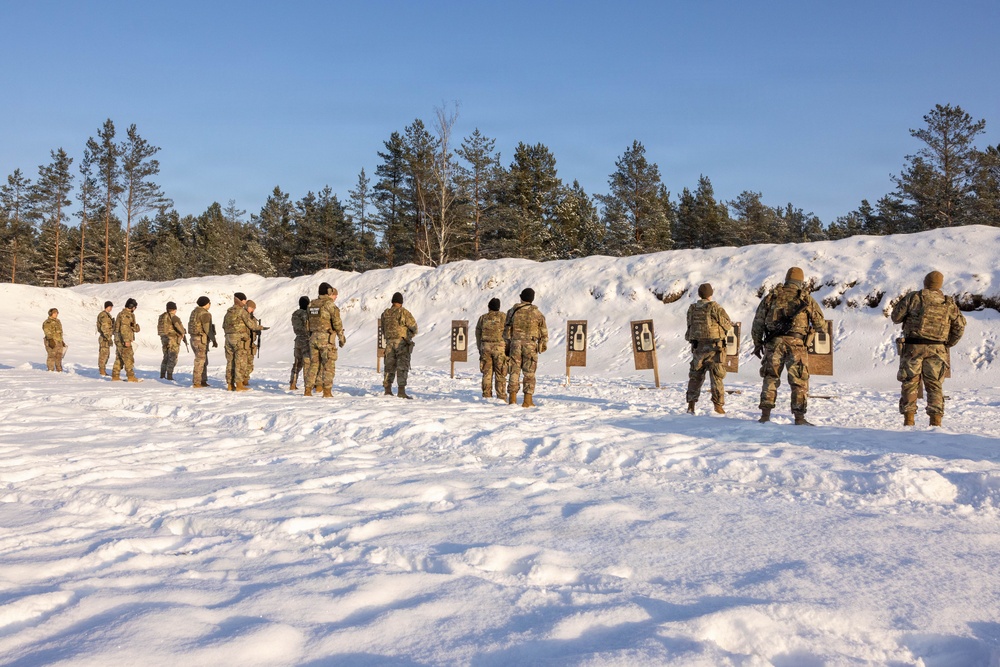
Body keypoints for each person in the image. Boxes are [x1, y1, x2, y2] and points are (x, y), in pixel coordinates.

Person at [890, 270, 966, 427]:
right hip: (937, 350)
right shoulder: (948, 302)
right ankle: (935, 422)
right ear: (940, 285)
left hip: (913, 348)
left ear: (925, 282)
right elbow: (960, 326)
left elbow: (895, 318)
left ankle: (909, 421)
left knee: (910, 382)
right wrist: (947, 344)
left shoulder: (914, 297)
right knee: (934, 385)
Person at [751, 267, 825, 425]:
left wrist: (757, 344)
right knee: (799, 380)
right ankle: (799, 418)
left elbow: (758, 323)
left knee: (770, 378)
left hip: (773, 343)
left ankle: (765, 415)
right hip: (797, 344)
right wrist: (812, 329)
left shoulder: (771, 297)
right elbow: (820, 325)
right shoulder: (805, 298)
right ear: (801, 281)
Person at [685, 283, 733, 415]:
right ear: (710, 294)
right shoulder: (715, 307)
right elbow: (727, 325)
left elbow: (689, 326)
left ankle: (691, 405)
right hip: (715, 349)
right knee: (717, 377)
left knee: (695, 377)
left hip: (698, 348)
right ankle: (718, 407)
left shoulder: (692, 308)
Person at [504, 288, 548, 408]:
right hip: (531, 345)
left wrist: (508, 346)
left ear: (521, 297)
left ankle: (512, 399)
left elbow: (506, 331)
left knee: (514, 371)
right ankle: (527, 400)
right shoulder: (537, 313)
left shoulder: (512, 311)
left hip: (515, 344)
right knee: (529, 372)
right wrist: (542, 346)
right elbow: (544, 333)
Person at [304, 283, 346, 397]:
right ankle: (327, 392)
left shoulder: (311, 305)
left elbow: (307, 322)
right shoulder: (329, 305)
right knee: (328, 365)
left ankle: (308, 390)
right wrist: (341, 337)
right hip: (326, 339)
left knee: (314, 364)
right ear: (328, 291)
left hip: (313, 338)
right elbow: (337, 323)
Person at [222, 292, 263, 391]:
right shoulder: (242, 312)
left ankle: (230, 384)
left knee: (230, 362)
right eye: (244, 300)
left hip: (228, 339)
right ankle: (239, 385)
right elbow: (251, 325)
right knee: (240, 362)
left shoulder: (229, 311)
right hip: (239, 340)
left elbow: (224, 325)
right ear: (241, 300)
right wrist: (260, 327)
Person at [380, 292, 417, 398]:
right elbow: (414, 327)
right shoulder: (403, 312)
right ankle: (401, 391)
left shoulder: (385, 313)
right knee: (402, 367)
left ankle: (387, 390)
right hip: (401, 344)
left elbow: (383, 329)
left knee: (389, 366)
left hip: (389, 343)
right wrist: (409, 335)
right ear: (401, 302)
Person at [475, 297, 507, 399]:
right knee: (500, 373)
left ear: (489, 307)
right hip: (499, 347)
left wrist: (480, 347)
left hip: (485, 346)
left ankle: (486, 396)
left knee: (487, 373)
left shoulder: (483, 318)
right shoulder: (503, 317)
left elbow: (478, 333)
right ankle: (501, 396)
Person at [188, 296, 217, 387]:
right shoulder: (205, 314)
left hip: (194, 338)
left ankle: (202, 380)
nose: (210, 305)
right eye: (209, 303)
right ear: (206, 304)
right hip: (200, 339)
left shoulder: (194, 312)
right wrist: (213, 340)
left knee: (203, 360)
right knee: (200, 361)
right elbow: (207, 329)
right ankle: (197, 382)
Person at [112, 298, 141, 382]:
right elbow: (124, 328)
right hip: (123, 340)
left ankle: (115, 375)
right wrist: (126, 340)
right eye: (134, 307)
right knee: (128, 357)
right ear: (132, 307)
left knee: (120, 358)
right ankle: (131, 376)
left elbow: (129, 327)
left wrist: (135, 327)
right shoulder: (126, 315)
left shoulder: (124, 314)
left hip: (119, 339)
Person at [157, 301, 187, 381]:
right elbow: (179, 327)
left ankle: (162, 375)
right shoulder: (174, 317)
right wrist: (183, 332)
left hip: (164, 339)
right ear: (174, 309)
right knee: (173, 357)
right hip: (172, 339)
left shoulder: (161, 317)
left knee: (166, 357)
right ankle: (169, 375)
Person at [289, 295, 311, 391]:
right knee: (307, 362)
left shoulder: (295, 314)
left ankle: (292, 383)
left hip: (297, 339)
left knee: (297, 363)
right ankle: (308, 385)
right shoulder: (305, 314)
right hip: (306, 340)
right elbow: (307, 326)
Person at [244, 300, 268, 386]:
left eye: (254, 309)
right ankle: (241, 379)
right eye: (252, 308)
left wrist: (257, 332)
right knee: (242, 362)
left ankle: (246, 379)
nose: (253, 310)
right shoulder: (244, 316)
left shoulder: (253, 318)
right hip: (244, 343)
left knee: (250, 363)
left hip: (251, 343)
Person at [42, 308, 66, 372]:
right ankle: (50, 370)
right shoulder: (47, 322)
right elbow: (47, 331)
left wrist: (61, 340)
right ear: (51, 313)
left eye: (57, 313)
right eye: (54, 313)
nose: (56, 314)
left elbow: (59, 332)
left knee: (59, 356)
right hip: (51, 341)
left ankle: (59, 370)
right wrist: (50, 340)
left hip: (58, 341)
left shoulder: (58, 321)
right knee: (51, 355)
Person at [96, 301, 114, 376]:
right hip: (104, 338)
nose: (111, 309)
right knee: (103, 355)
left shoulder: (107, 315)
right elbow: (105, 328)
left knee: (107, 354)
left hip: (106, 337)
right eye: (110, 307)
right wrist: (108, 338)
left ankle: (103, 370)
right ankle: (102, 370)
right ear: (107, 307)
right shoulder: (103, 315)